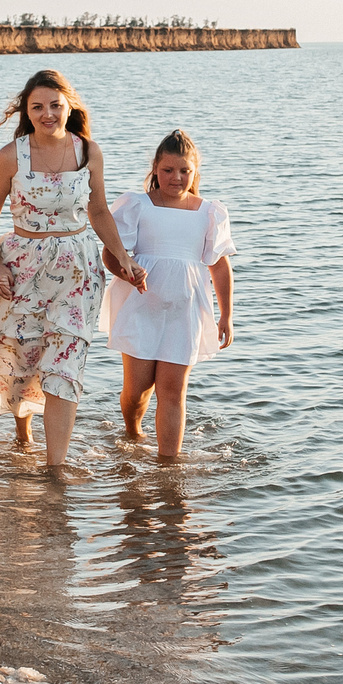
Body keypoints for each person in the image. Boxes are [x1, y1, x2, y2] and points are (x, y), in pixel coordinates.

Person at [0, 69, 145, 467]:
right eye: (37, 107)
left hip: (78, 271)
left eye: (55, 105)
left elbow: (99, 211)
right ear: (27, 111)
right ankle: (23, 432)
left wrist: (123, 258)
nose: (47, 114)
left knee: (65, 367)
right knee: (23, 362)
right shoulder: (10, 156)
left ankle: (56, 470)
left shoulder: (88, 152)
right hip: (22, 269)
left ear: (70, 106)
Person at [103, 129, 234, 461]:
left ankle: (168, 464)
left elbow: (219, 266)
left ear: (195, 172)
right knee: (138, 389)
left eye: (184, 171)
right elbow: (111, 254)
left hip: (185, 309)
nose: (176, 178)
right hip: (141, 305)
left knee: (173, 392)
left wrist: (226, 315)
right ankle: (133, 431)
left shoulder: (209, 212)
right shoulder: (138, 205)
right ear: (155, 169)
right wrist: (128, 273)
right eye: (168, 170)